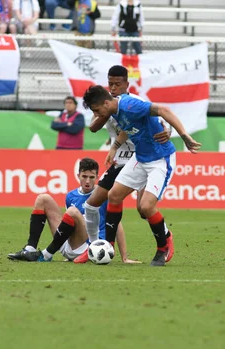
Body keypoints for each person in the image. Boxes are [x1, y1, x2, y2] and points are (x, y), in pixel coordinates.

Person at [82, 85, 202, 266]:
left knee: (146, 207)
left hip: (160, 159)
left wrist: (183, 135)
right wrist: (114, 147)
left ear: (106, 103)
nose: (98, 115)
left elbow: (163, 110)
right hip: (140, 157)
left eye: (97, 110)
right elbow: (128, 126)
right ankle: (108, 245)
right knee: (113, 195)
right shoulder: (114, 110)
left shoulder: (130, 105)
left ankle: (164, 244)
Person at [73, 65, 171, 265]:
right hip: (120, 161)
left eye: (118, 83)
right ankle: (95, 247)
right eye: (110, 83)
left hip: (141, 157)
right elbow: (93, 127)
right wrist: (107, 112)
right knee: (92, 204)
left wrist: (168, 131)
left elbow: (160, 122)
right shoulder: (106, 103)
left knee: (144, 209)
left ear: (127, 83)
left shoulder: (136, 102)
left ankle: (165, 237)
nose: (113, 87)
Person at [7, 158, 135, 262]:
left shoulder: (104, 195)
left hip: (89, 247)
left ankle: (46, 254)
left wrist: (124, 257)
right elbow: (68, 226)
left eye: (91, 177)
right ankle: (30, 249)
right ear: (78, 175)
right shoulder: (71, 196)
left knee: (72, 212)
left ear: (97, 177)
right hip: (67, 244)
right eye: (84, 176)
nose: (87, 181)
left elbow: (117, 223)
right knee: (43, 198)